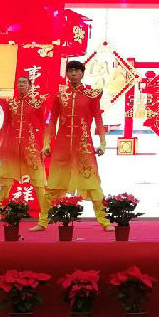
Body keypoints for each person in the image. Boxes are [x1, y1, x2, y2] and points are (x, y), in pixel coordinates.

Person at [30, 60, 113, 231]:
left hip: (84, 146)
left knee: (93, 184)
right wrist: (46, 144)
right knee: (53, 185)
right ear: (67, 74)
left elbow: (98, 119)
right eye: (70, 71)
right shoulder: (60, 96)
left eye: (77, 71)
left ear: (82, 73)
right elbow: (52, 121)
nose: (73, 74)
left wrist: (103, 143)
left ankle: (104, 221)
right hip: (62, 147)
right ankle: (43, 222)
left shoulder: (91, 95)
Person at [0, 77, 47, 211]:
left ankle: (45, 213)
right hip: (11, 146)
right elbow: (5, 124)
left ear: (30, 86)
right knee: (6, 181)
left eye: (24, 82)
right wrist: (2, 144)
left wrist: (45, 144)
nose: (21, 84)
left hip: (31, 146)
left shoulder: (37, 102)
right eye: (19, 82)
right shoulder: (11, 103)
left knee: (38, 182)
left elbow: (43, 125)